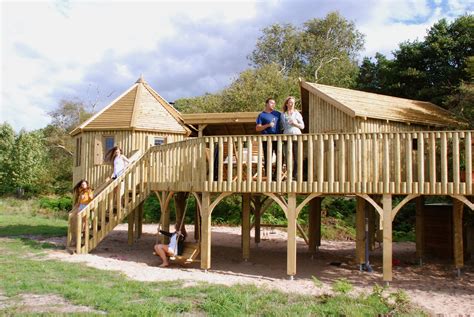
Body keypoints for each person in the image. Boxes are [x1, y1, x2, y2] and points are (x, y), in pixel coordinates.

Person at [256, 98, 281, 179]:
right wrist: (268, 125)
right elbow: (258, 128)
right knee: (268, 157)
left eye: (274, 103)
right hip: (267, 139)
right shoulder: (261, 115)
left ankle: (277, 175)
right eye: (271, 103)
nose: (273, 104)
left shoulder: (278, 114)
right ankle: (269, 176)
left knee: (281, 157)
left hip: (278, 139)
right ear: (266, 104)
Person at [280, 96, 304, 180]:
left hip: (296, 136)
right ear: (287, 104)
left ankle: (296, 175)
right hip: (286, 137)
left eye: (293, 102)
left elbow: (302, 126)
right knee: (288, 156)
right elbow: (282, 126)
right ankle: (289, 175)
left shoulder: (297, 113)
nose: (292, 104)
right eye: (290, 102)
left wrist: (295, 123)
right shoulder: (283, 114)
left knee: (297, 156)